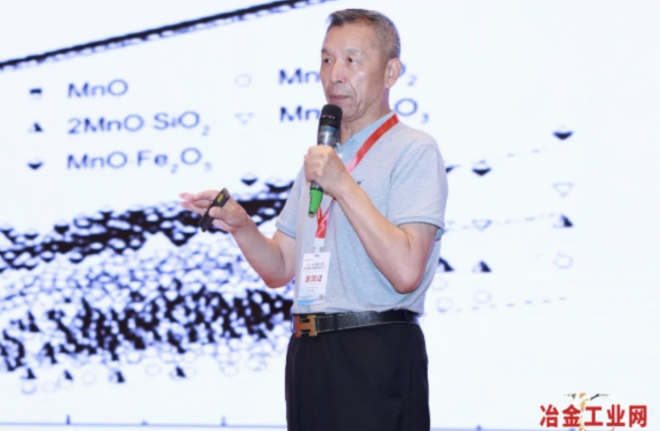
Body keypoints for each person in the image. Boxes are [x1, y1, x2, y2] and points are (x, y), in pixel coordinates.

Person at [180, 8, 448, 431]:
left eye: (352, 60)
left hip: (375, 351)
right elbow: (280, 268)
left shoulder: (413, 150)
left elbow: (405, 271)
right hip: (309, 353)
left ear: (391, 71)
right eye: (327, 60)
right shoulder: (321, 162)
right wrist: (241, 224)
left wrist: (343, 185)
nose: (334, 75)